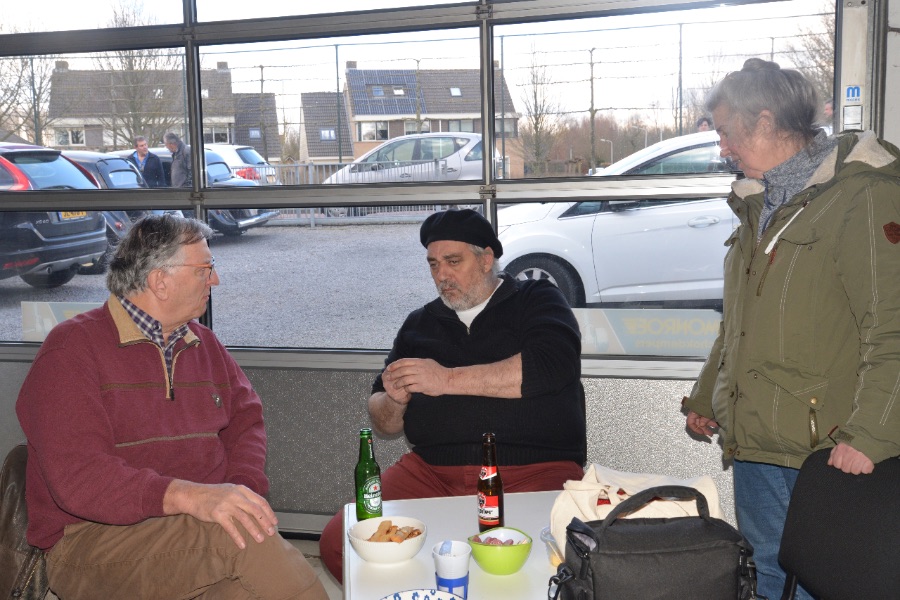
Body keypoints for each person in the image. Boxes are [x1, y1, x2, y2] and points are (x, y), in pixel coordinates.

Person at [15, 214, 328, 599]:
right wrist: (189, 496)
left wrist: (239, 492)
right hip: (92, 541)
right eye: (204, 269)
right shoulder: (71, 351)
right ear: (160, 281)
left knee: (250, 574)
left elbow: (245, 422)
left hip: (194, 525)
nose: (215, 280)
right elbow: (80, 477)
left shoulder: (204, 343)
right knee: (248, 540)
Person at [682, 58, 900, 600]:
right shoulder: (759, 203)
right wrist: (708, 395)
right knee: (769, 575)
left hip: (822, 448)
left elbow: (892, 325)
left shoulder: (861, 194)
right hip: (755, 438)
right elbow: (739, 322)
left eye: (726, 132)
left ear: (764, 120)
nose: (722, 148)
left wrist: (872, 434)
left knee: (821, 582)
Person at [319, 208, 586, 581]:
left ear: (486, 259)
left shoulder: (536, 298)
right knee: (339, 542)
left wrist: (444, 379)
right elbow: (384, 421)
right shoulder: (419, 323)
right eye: (433, 264)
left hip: (533, 470)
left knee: (550, 557)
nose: (441, 275)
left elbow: (552, 366)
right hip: (431, 473)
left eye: (453, 261)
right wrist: (394, 400)